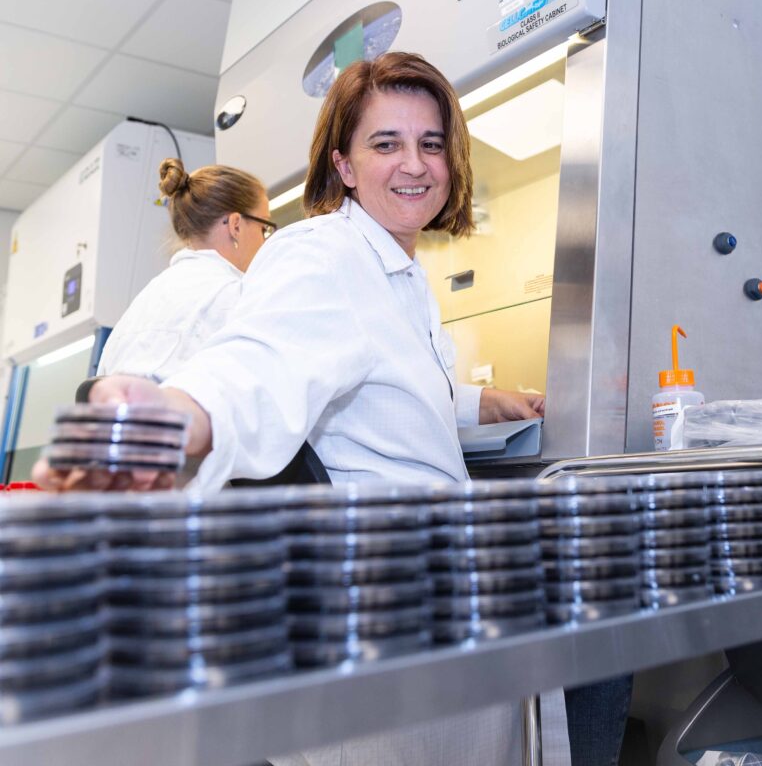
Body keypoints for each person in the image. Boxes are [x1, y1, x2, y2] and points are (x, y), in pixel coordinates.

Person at [34, 52, 626, 766]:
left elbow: (386, 382)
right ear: (343, 164)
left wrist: (482, 401)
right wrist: (177, 413)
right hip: (387, 605)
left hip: (404, 594)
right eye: (386, 144)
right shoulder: (323, 253)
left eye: (431, 143)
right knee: (608, 611)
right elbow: (259, 364)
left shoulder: (397, 271)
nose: (415, 164)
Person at [96, 158, 273, 381]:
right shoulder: (235, 296)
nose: (265, 242)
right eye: (264, 228)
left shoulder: (143, 302)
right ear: (235, 225)